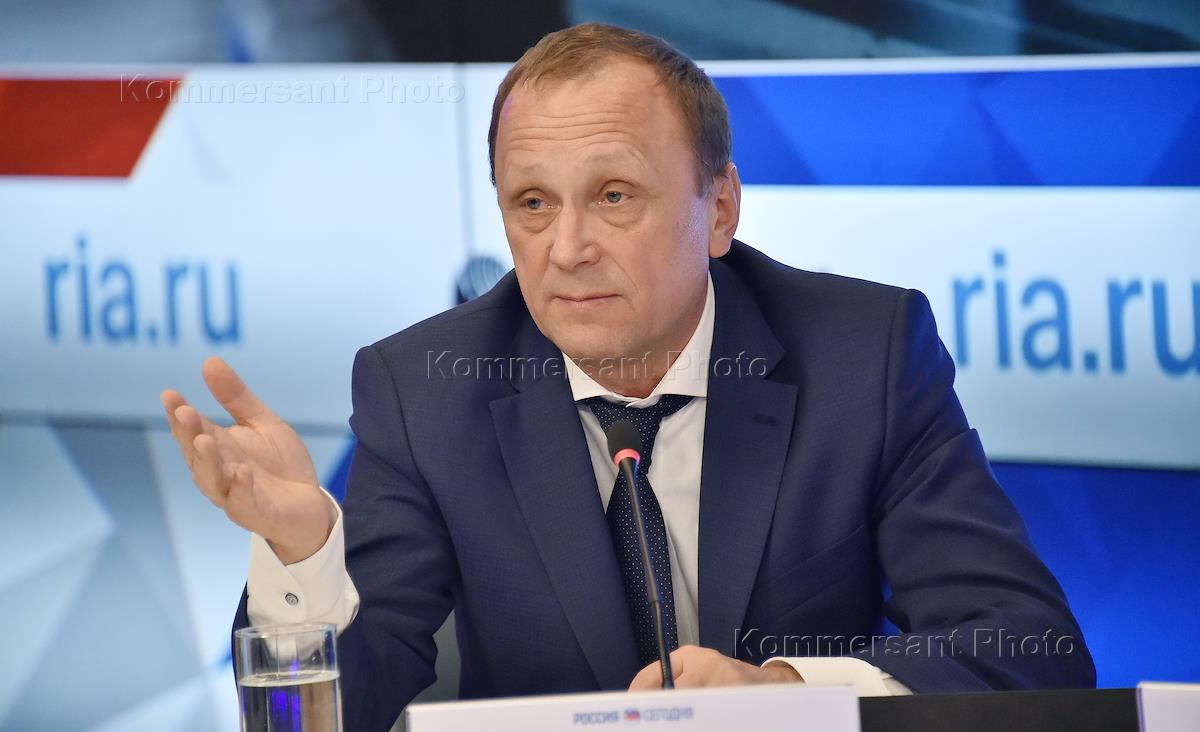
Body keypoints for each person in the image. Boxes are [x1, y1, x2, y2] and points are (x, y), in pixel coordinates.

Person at [160, 22, 1094, 731]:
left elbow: (1031, 655)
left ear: (719, 209)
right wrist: (302, 557)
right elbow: (327, 720)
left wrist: (786, 695)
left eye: (613, 196)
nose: (567, 248)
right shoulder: (426, 390)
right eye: (533, 203)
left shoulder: (865, 357)